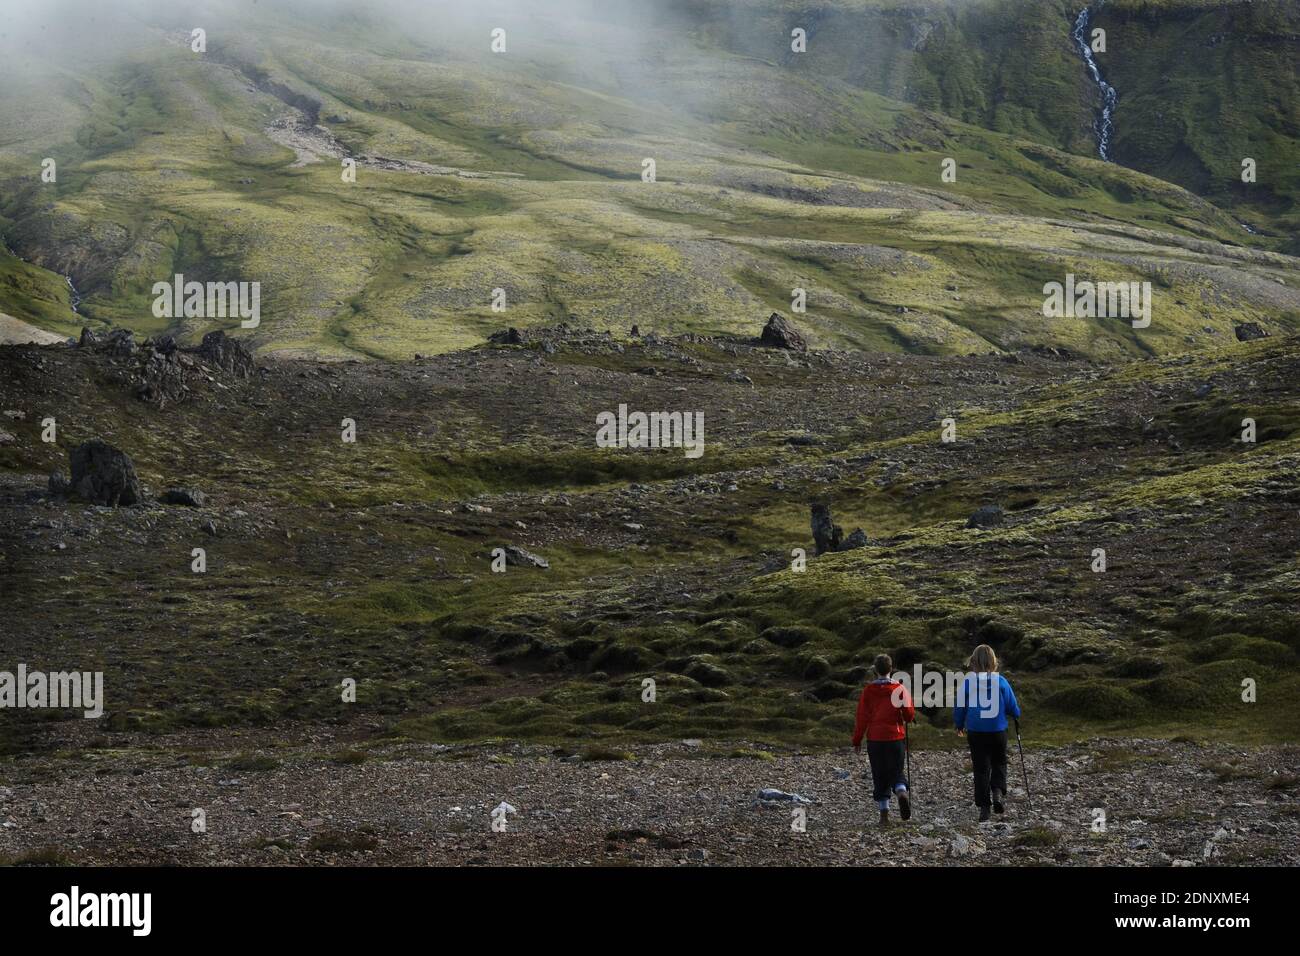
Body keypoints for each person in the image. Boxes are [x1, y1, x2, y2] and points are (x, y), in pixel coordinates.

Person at [953, 644, 1021, 822]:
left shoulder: (968, 682)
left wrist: (959, 723)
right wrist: (1015, 714)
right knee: (999, 762)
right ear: (993, 661)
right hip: (998, 730)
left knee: (981, 768)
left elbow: (960, 706)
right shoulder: (1001, 681)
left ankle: (984, 807)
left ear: (973, 662)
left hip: (976, 731)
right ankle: (997, 791)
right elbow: (1012, 705)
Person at [852, 653, 916, 826]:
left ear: (875, 670)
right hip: (895, 737)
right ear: (891, 669)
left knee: (879, 774)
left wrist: (857, 740)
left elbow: (862, 717)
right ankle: (901, 792)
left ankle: (884, 815)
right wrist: (907, 717)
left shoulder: (868, 691)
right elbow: (909, 714)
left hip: (875, 739)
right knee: (896, 771)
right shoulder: (899, 689)